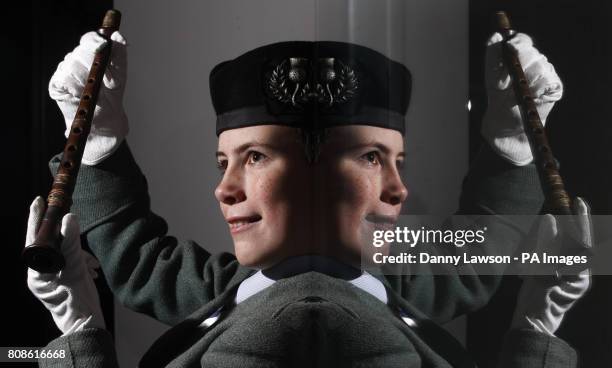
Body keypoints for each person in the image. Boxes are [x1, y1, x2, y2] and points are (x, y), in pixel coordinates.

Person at [25, 29, 590, 367]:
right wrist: (536, 329)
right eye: (232, 161)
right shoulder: (357, 293)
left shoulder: (289, 308)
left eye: (257, 157)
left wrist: (77, 337)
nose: (223, 189)